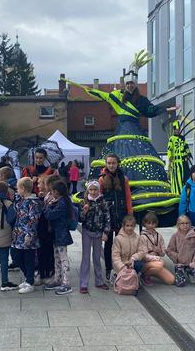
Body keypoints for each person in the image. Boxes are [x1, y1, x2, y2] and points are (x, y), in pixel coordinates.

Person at [64, 50, 178, 214]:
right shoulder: (117, 95)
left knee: (135, 155)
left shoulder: (141, 99)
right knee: (120, 155)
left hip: (135, 129)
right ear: (125, 84)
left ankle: (139, 191)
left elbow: (151, 110)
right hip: (121, 130)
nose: (130, 86)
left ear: (135, 84)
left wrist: (165, 108)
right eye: (128, 83)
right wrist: (86, 89)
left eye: (132, 83)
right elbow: (102, 95)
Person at [99, 153, 133, 281]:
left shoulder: (124, 179)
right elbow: (100, 199)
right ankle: (108, 269)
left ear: (117, 163)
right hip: (108, 216)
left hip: (121, 216)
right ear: (106, 164)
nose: (111, 165)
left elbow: (128, 198)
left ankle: (121, 268)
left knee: (122, 244)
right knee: (108, 245)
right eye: (109, 163)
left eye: (113, 163)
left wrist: (130, 215)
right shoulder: (102, 179)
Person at [9, 177, 42, 294]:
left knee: (28, 259)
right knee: (16, 255)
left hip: (27, 235)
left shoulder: (33, 203)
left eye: (18, 188)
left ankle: (30, 282)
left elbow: (33, 219)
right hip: (18, 234)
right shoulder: (21, 200)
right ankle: (29, 276)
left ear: (23, 188)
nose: (17, 190)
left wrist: (29, 234)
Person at [79, 180, 110, 293]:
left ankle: (99, 281)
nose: (93, 192)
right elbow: (80, 219)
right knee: (85, 258)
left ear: (99, 190)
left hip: (98, 232)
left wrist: (106, 232)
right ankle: (83, 284)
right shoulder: (84, 202)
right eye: (91, 190)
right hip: (87, 231)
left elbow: (107, 218)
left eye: (95, 189)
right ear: (88, 191)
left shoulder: (103, 202)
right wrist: (84, 212)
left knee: (97, 258)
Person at [43, 180, 74, 295]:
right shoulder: (60, 201)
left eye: (52, 191)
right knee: (57, 257)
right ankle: (57, 279)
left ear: (56, 192)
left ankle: (66, 283)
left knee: (63, 258)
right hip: (57, 234)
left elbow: (50, 215)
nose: (51, 194)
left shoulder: (62, 203)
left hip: (61, 234)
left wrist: (48, 207)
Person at [137, 211, 175, 286]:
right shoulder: (142, 237)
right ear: (145, 224)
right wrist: (157, 258)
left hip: (157, 262)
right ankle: (145, 275)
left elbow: (163, 253)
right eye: (148, 223)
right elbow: (143, 255)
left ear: (156, 224)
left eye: (153, 223)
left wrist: (159, 251)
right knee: (160, 264)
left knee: (171, 280)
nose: (151, 225)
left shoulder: (159, 236)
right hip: (146, 263)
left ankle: (153, 272)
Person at [167, 215, 195, 287]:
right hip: (180, 263)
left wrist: (194, 262)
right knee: (180, 284)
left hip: (191, 264)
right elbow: (169, 250)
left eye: (187, 223)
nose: (185, 225)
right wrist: (177, 258)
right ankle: (181, 274)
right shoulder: (175, 236)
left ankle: (190, 273)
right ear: (178, 225)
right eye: (182, 223)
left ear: (190, 224)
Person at [36, 174, 59, 284]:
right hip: (44, 228)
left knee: (47, 251)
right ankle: (44, 272)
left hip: (47, 228)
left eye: (40, 183)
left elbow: (47, 211)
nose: (38, 185)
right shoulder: (45, 196)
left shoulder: (52, 197)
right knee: (43, 251)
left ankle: (49, 272)